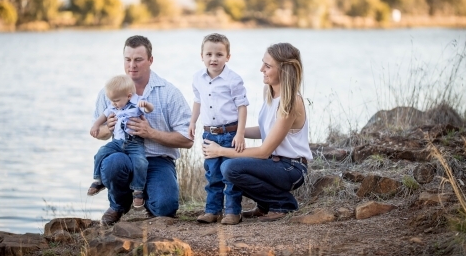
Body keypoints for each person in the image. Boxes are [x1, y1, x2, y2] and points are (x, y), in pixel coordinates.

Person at [202, 42, 312, 222]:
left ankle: (283, 203)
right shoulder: (272, 95)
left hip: (291, 168)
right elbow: (264, 131)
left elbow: (263, 152)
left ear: (284, 70)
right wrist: (231, 132)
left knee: (229, 167)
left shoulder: (290, 102)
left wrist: (219, 151)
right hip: (275, 164)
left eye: (268, 66)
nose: (261, 69)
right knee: (227, 163)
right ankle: (265, 205)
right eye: (263, 63)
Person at [92, 35, 193, 226]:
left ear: (150, 60)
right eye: (127, 59)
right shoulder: (110, 91)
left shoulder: (168, 92)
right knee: (112, 163)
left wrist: (150, 133)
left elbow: (188, 140)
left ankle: (147, 196)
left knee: (165, 208)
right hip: (123, 155)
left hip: (158, 161)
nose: (132, 65)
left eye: (138, 59)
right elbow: (100, 133)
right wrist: (108, 128)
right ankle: (119, 205)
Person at [189, 33, 249, 225]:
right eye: (209, 54)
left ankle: (233, 212)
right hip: (209, 134)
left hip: (230, 133)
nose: (213, 59)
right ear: (202, 56)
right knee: (212, 174)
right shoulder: (197, 78)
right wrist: (192, 122)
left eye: (219, 54)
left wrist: (240, 133)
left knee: (230, 175)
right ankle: (212, 211)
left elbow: (242, 106)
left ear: (227, 57)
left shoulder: (233, 79)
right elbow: (198, 101)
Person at [88, 74, 154, 209]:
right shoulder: (113, 106)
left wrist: (146, 105)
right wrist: (95, 126)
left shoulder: (137, 103)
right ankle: (98, 179)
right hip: (118, 142)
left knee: (140, 162)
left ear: (129, 96)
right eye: (111, 100)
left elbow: (149, 109)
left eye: (116, 100)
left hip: (134, 143)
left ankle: (138, 191)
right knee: (101, 152)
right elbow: (103, 116)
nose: (113, 103)